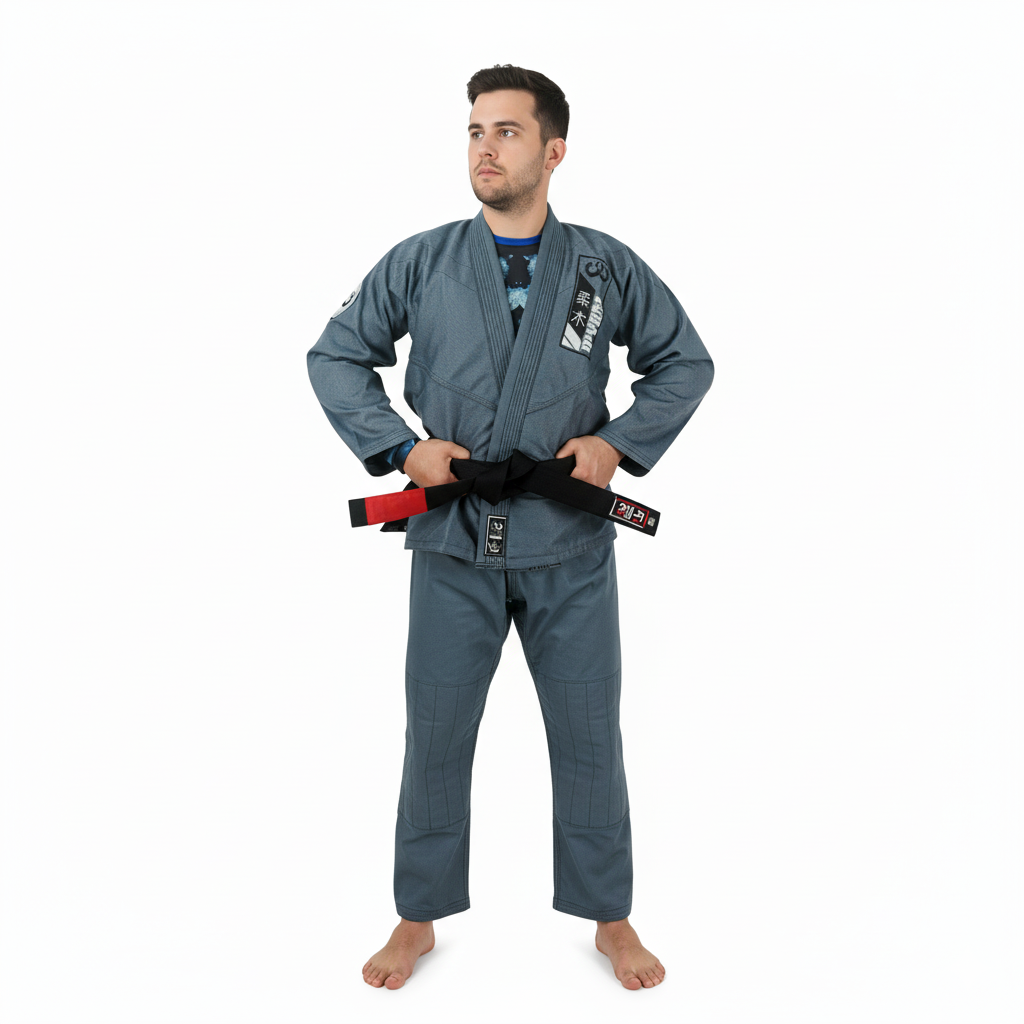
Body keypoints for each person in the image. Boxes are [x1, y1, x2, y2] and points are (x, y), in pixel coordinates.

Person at [307, 65, 713, 991]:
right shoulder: (422, 260)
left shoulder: (603, 266)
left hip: (568, 543)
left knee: (588, 730)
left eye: (507, 132)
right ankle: (417, 915)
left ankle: (611, 916)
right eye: (474, 131)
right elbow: (335, 356)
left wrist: (617, 444)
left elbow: (685, 363)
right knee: (436, 730)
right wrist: (401, 449)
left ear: (554, 151)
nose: (484, 148)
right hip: (454, 539)